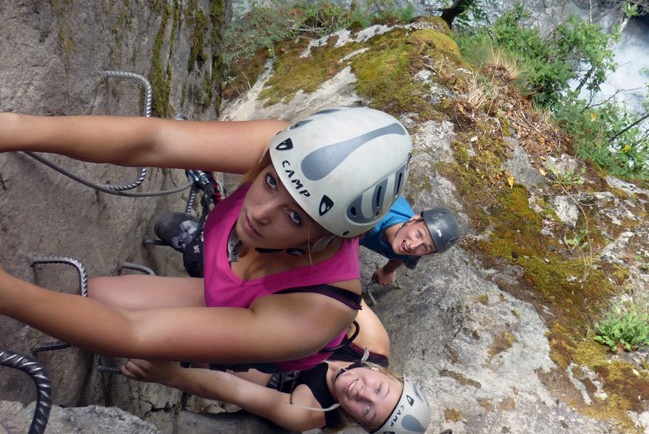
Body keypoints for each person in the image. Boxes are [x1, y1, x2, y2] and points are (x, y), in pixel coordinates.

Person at [0, 106, 411, 372]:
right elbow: (156, 141)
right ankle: (197, 250)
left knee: (107, 313)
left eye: (294, 217)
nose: (260, 212)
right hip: (230, 282)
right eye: (269, 182)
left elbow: (134, 332)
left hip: (267, 324)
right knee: (98, 292)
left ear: (329, 236)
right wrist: (14, 128)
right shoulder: (289, 155)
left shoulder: (315, 312)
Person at [121, 304, 431, 434]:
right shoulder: (371, 341)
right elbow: (334, 291)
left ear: (357, 422)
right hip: (272, 314)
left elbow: (234, 390)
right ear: (391, 376)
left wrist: (170, 375)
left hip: (252, 365)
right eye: (379, 391)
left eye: (367, 410)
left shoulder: (308, 412)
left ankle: (194, 345)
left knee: (252, 372)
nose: (362, 393)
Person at [360, 196, 462, 286]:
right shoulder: (372, 218)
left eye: (425, 247)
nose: (413, 246)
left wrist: (387, 271)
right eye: (419, 234)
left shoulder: (411, 250)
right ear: (414, 219)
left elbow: (404, 257)